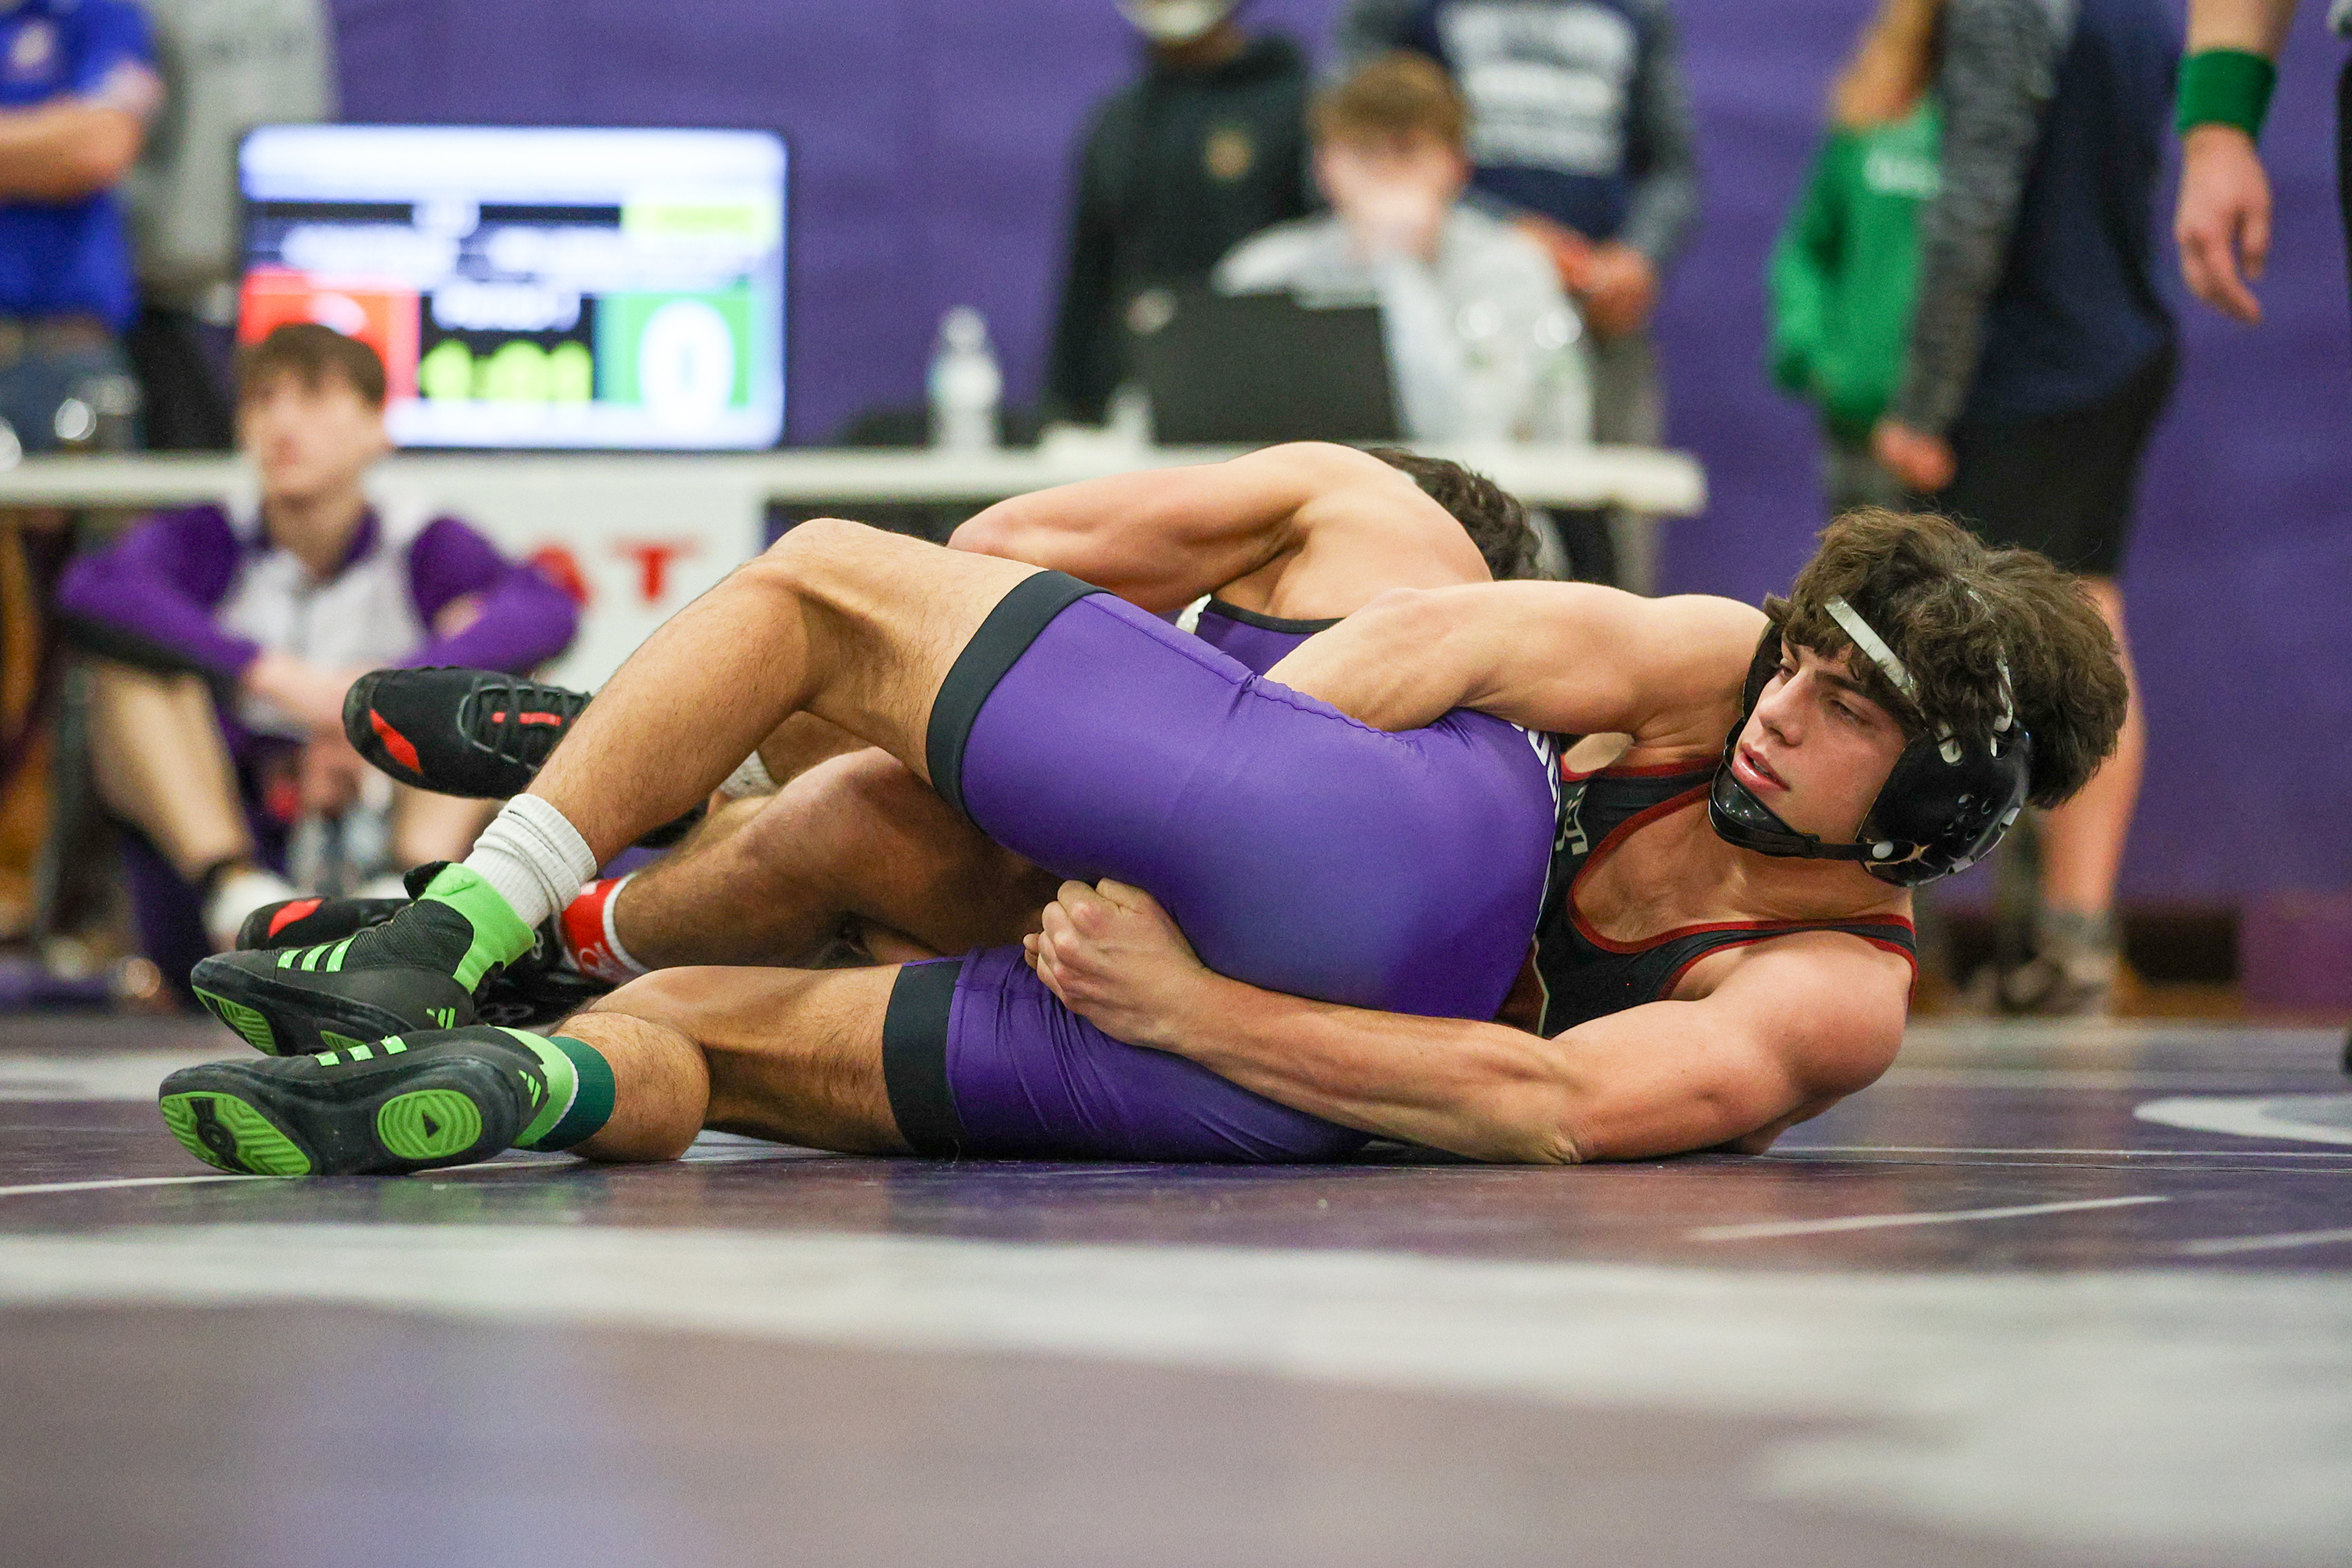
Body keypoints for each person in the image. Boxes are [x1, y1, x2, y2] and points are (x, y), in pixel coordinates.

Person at [158, 483, 2124, 1174]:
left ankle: (484, 900)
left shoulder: (1830, 990)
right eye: (1805, 662)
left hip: (1314, 982)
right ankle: (530, 1065)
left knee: (826, 590)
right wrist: (1164, 914)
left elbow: (1544, 1105)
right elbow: (1454, 648)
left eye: (1849, 712)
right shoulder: (1715, 663)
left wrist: (1185, 931)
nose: (1785, 702)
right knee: (716, 1031)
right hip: (1273, 1101)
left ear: (1938, 801)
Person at [52, 324, 577, 975]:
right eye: (263, 400)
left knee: (484, 681)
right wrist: (268, 675)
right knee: (130, 672)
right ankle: (234, 889)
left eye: (314, 397)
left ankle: (407, 898)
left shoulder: (420, 540)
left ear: (377, 427)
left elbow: (547, 610)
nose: (283, 423)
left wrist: (373, 702)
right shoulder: (213, 533)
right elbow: (92, 588)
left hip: (387, 826)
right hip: (234, 857)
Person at [1867, 0, 2177, 1015]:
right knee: (2086, 609)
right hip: (2117, 341)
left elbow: (1975, 199)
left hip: (2035, 360)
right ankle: (2070, 933)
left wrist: (1923, 400)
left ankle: (2046, 932)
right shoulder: (2144, 14)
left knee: (2059, 623)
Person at [1338, 0, 1699, 589]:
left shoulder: (1636, 12)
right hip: (1448, 271)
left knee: (1604, 533)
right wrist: (1498, 226)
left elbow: (1670, 166)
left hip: (1596, 310)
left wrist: (1638, 256)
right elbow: (1379, 118)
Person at [1215, 53, 1589, 446]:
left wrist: (1396, 261)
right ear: (1323, 166)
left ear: (1457, 165)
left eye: (1407, 149)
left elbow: (1464, 435)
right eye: (1362, 150)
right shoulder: (1263, 272)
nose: (1385, 171)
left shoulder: (1512, 268)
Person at [1043, 0, 1315, 430]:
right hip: (1138, 396)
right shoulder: (1118, 122)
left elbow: (1323, 258)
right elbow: (1088, 280)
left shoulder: (1296, 108)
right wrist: (1068, 408)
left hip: (1269, 395)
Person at [121, 0, 336, 452]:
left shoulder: (302, 10)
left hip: (287, 269)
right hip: (169, 292)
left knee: (295, 455)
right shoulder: (142, 12)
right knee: (188, 468)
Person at [1769, 0, 1944, 514]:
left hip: (1967, 430)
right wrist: (1820, 358)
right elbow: (1807, 250)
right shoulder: (1872, 113)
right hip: (1859, 425)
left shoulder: (2000, 127)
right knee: (1859, 568)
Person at [0, 0, 159, 456]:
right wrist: (52, 140)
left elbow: (100, 147)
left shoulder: (100, 12)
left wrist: (73, 146)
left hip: (73, 351)